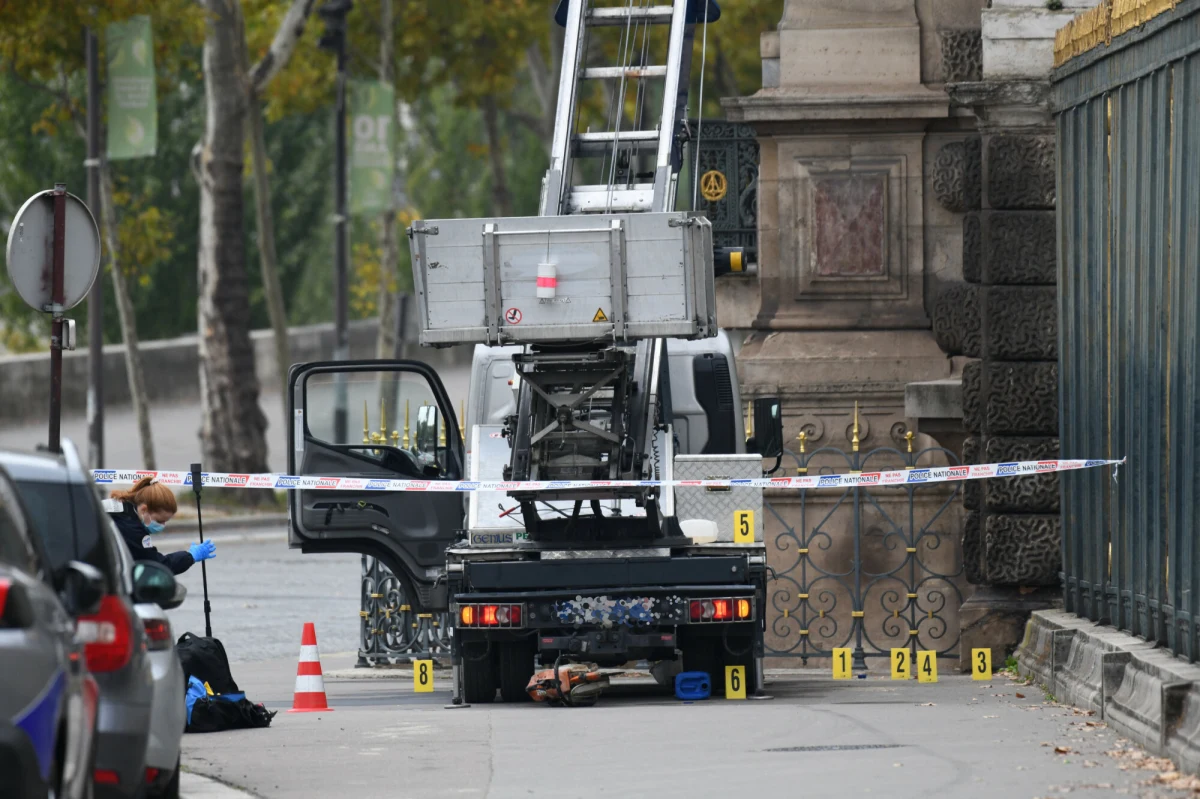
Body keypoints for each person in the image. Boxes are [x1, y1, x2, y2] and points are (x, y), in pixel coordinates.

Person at [102, 476, 216, 575]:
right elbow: (156, 566)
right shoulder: (132, 530)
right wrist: (190, 556)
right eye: (160, 520)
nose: (163, 525)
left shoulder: (120, 506)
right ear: (144, 510)